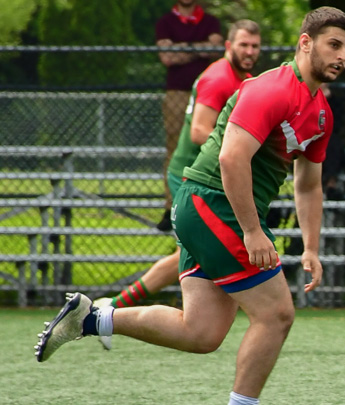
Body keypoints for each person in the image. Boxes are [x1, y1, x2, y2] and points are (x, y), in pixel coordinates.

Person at [36, 8, 345, 405]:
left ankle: (90, 319)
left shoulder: (320, 111)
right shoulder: (271, 89)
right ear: (305, 43)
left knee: (201, 333)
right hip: (213, 204)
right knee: (277, 314)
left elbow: (308, 183)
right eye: (333, 44)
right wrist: (251, 231)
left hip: (211, 207)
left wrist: (312, 246)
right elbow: (230, 159)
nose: (341, 56)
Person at [108, 19, 263, 313]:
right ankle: (112, 309)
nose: (250, 51)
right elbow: (199, 131)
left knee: (200, 250)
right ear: (229, 46)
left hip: (208, 178)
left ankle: (116, 310)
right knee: (190, 252)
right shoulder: (219, 78)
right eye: (243, 44)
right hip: (188, 175)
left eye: (255, 46)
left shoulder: (242, 78)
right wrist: (247, 151)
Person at [154, 0, 225, 229]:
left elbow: (217, 49)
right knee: (174, 148)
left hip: (208, 96)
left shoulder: (211, 21)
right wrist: (199, 48)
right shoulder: (165, 22)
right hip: (177, 93)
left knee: (207, 146)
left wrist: (182, 48)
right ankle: (169, 207)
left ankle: (202, 205)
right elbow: (167, 58)